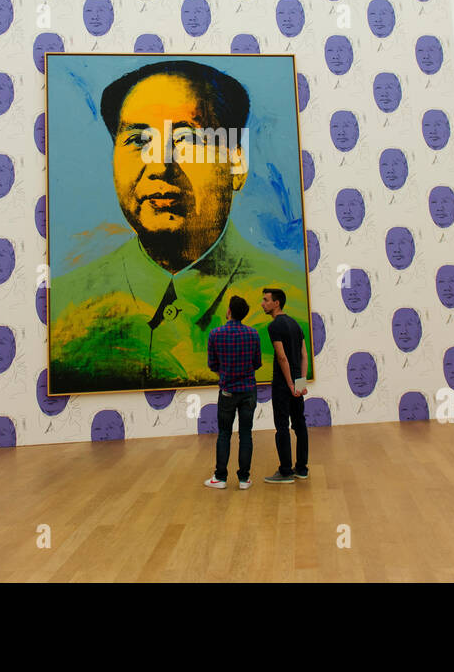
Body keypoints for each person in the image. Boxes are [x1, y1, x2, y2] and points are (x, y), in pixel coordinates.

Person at [49, 60, 308, 393]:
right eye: (138, 140)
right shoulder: (63, 313)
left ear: (236, 163)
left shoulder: (295, 309)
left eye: (187, 138)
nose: (160, 165)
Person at [204, 295, 262, 490]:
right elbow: (256, 364)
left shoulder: (215, 334)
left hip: (227, 391)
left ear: (229, 311)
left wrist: (226, 372)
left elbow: (212, 364)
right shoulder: (253, 334)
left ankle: (220, 477)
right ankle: (244, 479)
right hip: (248, 391)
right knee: (246, 434)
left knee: (224, 434)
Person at [262, 287, 309, 483]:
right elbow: (304, 355)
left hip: (283, 385)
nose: (263, 303)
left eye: (266, 300)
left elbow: (282, 357)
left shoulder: (274, 327)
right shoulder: (295, 324)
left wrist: (289, 384)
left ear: (276, 303)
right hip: (296, 383)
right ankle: (302, 469)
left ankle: (286, 471)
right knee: (300, 425)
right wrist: (300, 382)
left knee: (282, 426)